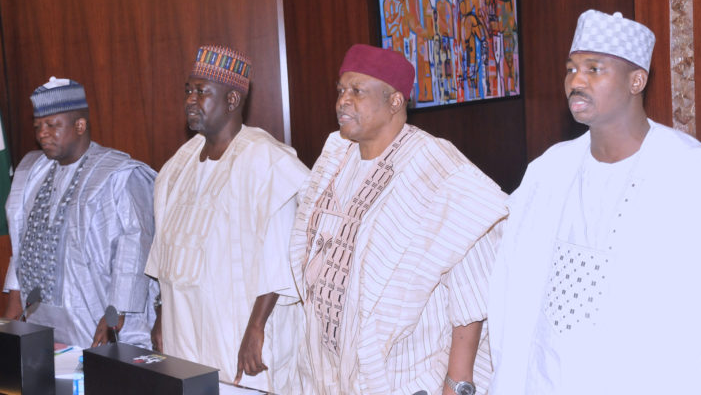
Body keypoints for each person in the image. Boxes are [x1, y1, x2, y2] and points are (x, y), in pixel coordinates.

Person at [488, 10, 701, 394]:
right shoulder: (549, 170)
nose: (576, 81)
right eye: (571, 69)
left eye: (594, 68)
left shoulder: (691, 171)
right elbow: (512, 269)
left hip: (647, 374)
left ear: (637, 80)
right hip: (551, 372)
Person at [289, 44, 507, 394]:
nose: (343, 101)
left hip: (407, 373)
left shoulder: (436, 166)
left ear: (394, 101)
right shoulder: (335, 156)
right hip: (331, 372)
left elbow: (473, 286)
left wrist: (457, 382)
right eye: (341, 90)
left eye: (357, 91)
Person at [144, 45, 309, 393]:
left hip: (237, 327)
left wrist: (256, 328)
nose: (190, 99)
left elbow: (280, 257)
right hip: (182, 328)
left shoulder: (265, 160)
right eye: (188, 90)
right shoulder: (178, 165)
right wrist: (161, 316)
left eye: (202, 91)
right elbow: (166, 251)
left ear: (232, 100)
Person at [3, 77, 156, 348]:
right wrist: (11, 315)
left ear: (80, 125)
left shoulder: (118, 174)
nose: (42, 134)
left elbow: (136, 248)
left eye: (52, 125)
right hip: (42, 317)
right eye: (38, 126)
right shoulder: (31, 172)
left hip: (97, 314)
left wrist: (114, 315)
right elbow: (21, 244)